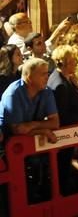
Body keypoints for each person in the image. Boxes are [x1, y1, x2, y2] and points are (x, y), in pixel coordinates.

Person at [0, 58, 59, 203]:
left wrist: (33, 125)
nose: (47, 77)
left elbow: (55, 123)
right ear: (29, 77)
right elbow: (17, 130)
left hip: (29, 138)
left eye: (48, 73)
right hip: (6, 143)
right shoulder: (13, 94)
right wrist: (43, 130)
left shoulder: (46, 92)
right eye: (42, 74)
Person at [48, 45, 78, 195]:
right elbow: (63, 115)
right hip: (64, 134)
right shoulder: (60, 84)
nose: (76, 62)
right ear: (62, 62)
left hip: (70, 134)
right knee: (61, 167)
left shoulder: (67, 79)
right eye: (72, 61)